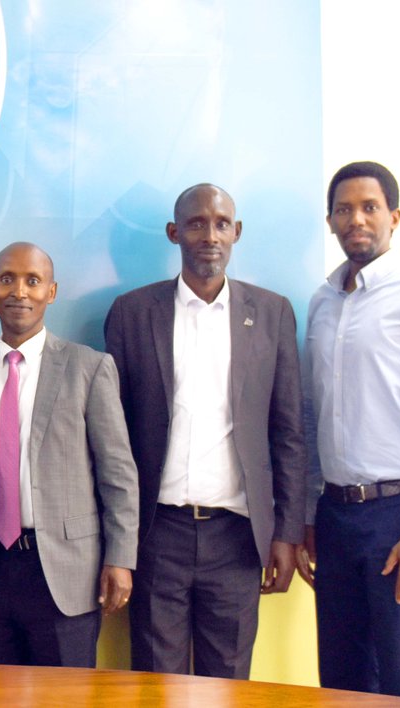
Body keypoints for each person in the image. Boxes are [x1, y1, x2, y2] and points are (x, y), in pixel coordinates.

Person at [103, 183, 306, 678]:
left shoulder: (272, 312)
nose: (209, 234)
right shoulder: (132, 313)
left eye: (220, 224)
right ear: (175, 233)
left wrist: (287, 532)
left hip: (237, 538)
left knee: (229, 683)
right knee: (156, 683)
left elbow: (289, 433)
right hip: (157, 534)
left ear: (236, 233)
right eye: (196, 223)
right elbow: (113, 437)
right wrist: (118, 542)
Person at [0, 242, 138, 666]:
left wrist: (121, 558)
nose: (19, 292)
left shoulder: (89, 368)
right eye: (7, 279)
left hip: (66, 573)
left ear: (52, 291)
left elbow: (117, 474)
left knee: (66, 698)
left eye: (33, 281)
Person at [297, 162, 400, 699]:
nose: (356, 219)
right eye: (344, 209)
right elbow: (312, 414)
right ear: (330, 220)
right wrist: (309, 513)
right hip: (336, 519)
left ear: (394, 217)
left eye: (369, 207)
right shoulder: (321, 303)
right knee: (341, 682)